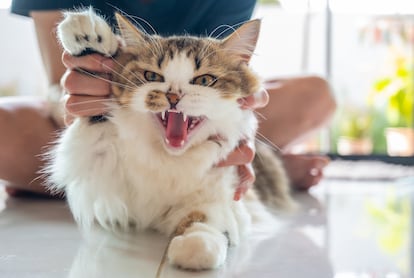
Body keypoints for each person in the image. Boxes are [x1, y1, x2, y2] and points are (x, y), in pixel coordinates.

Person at [2, 0, 335, 197]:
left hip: (190, 124)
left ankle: (62, 185)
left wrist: (239, 115)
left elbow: (225, 68)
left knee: (316, 95)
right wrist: (84, 110)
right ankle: (261, 174)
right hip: (101, 118)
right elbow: (55, 85)